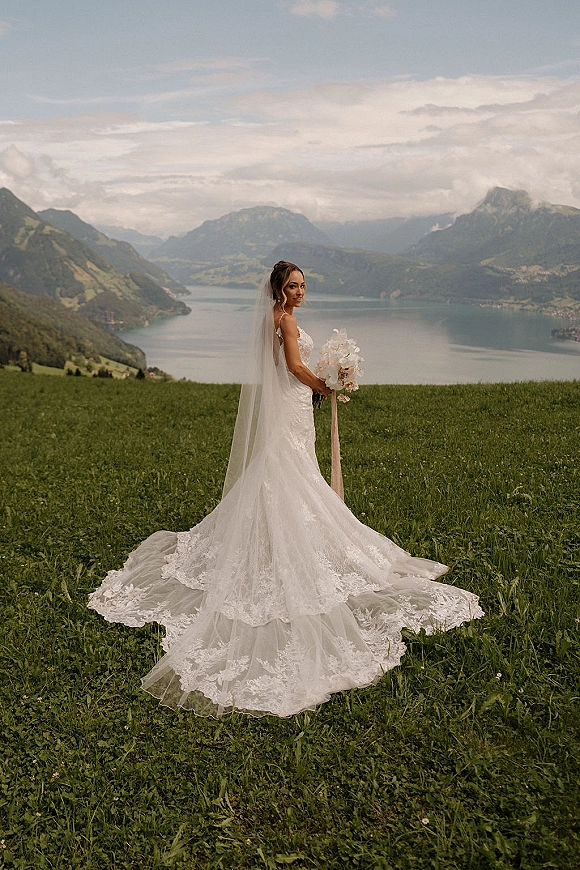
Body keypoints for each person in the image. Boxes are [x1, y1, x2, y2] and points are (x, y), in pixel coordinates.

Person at [88, 261, 483, 717]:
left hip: (288, 407)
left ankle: (274, 536)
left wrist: (321, 384)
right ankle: (292, 542)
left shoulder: (268, 320)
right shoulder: (288, 321)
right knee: (293, 474)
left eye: (303, 285)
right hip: (294, 404)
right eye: (293, 285)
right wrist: (328, 384)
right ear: (279, 289)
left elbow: (278, 366)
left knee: (284, 473)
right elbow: (295, 366)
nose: (300, 291)